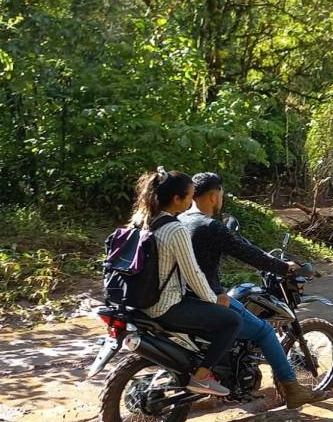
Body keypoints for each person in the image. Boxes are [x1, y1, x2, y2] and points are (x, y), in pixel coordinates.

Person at [179, 172, 320, 409]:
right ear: (214, 196)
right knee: (264, 331)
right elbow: (249, 253)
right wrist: (285, 268)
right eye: (221, 194)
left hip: (182, 297)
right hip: (208, 297)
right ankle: (292, 389)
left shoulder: (181, 219)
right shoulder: (210, 226)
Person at [131, 167, 241, 397]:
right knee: (231, 321)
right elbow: (193, 273)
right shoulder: (175, 228)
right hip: (165, 306)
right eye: (190, 196)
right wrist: (213, 301)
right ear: (177, 199)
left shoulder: (142, 221)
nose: (192, 202)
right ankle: (202, 377)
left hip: (138, 302)